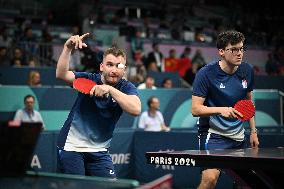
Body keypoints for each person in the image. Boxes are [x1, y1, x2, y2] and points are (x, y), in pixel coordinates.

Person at [55, 33, 141, 178]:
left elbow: (136, 109)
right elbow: (61, 74)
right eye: (109, 65)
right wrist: (67, 48)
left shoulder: (126, 87)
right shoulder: (89, 78)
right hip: (72, 147)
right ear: (102, 66)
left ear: (124, 69)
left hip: (99, 150)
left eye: (118, 66)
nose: (114, 70)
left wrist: (110, 89)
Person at [191, 30, 259, 189]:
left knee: (244, 183)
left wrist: (254, 132)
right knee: (209, 179)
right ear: (221, 51)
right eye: (234, 49)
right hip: (213, 136)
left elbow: (249, 104)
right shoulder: (206, 73)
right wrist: (222, 110)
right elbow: (195, 109)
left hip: (239, 136)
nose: (239, 53)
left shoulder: (247, 70)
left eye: (241, 49)